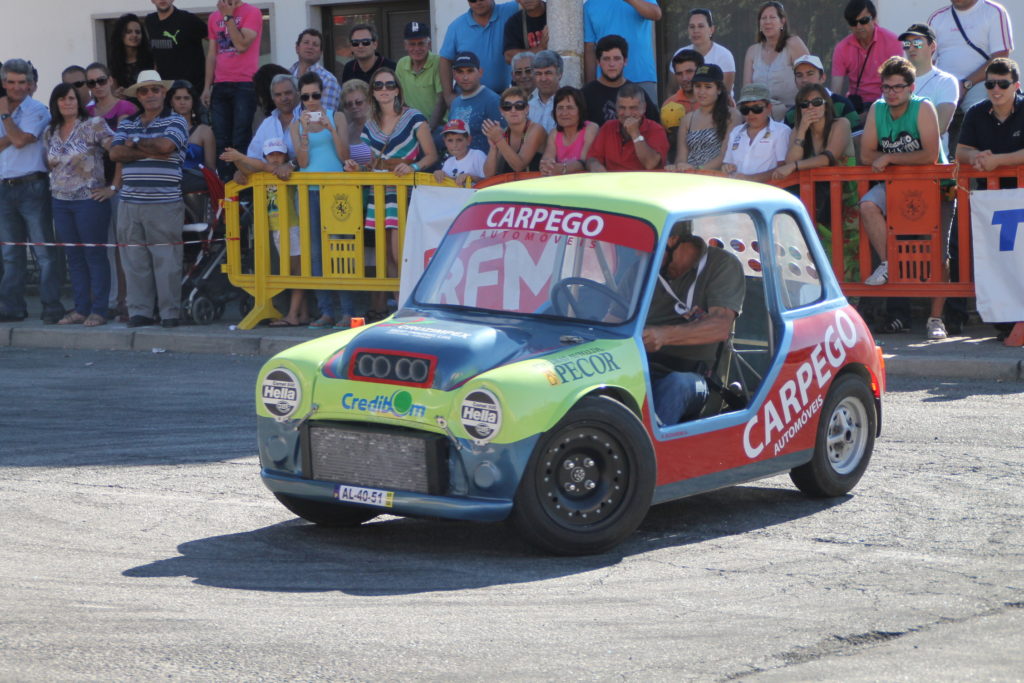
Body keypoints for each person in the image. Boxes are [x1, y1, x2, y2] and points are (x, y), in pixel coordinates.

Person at [345, 67, 438, 320]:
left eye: (389, 85)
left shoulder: (414, 117)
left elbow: (431, 155)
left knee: (402, 255)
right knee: (385, 256)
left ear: (397, 89)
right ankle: (399, 309)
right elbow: (368, 162)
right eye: (378, 86)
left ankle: (409, 309)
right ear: (372, 92)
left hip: (404, 193)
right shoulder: (370, 125)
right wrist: (355, 165)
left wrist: (412, 166)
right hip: (378, 196)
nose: (384, 90)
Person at [642, 222, 744, 425]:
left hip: (696, 379)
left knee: (677, 384)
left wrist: (663, 335)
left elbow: (720, 327)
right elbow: (613, 317)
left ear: (671, 241)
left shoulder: (721, 265)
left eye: (645, 245)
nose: (639, 254)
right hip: (641, 369)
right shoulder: (644, 268)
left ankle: (650, 450)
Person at [109, 70, 189, 328]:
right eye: (144, 90)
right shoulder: (126, 122)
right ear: (138, 95)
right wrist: (147, 147)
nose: (150, 94)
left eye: (155, 89)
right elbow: (114, 153)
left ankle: (169, 314)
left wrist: (133, 145)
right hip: (130, 202)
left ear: (163, 92)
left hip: (164, 202)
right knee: (134, 261)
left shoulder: (177, 121)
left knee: (167, 261)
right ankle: (140, 312)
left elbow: (166, 148)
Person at [859, 57, 942, 291]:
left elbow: (930, 156)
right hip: (893, 184)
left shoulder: (923, 107)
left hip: (934, 185)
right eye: (886, 87)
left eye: (898, 87)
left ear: (911, 88)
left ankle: (938, 317)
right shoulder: (877, 108)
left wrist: (890, 157)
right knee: (867, 205)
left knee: (939, 253)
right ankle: (888, 263)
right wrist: (889, 160)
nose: (891, 93)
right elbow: (866, 155)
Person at [956, 57, 1024, 340]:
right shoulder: (975, 112)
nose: (996, 89)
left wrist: (999, 161)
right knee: (999, 259)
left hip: (1018, 199)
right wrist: (976, 157)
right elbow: (961, 151)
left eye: (1003, 84)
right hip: (993, 204)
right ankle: (1005, 321)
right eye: (990, 84)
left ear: (1016, 86)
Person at [43, 83, 115, 327]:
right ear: (56, 103)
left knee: (94, 255)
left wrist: (113, 187)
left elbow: (117, 152)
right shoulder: (50, 130)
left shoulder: (93, 124)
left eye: (72, 98)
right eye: (62, 99)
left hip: (90, 201)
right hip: (60, 201)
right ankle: (81, 308)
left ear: (79, 101)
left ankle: (100, 310)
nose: (67, 102)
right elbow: (50, 163)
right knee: (73, 257)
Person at [0, 59, 64, 324]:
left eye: (22, 82)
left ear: (30, 84)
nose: (17, 88)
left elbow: (19, 139)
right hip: (4, 188)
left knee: (44, 252)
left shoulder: (38, 109)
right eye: (11, 82)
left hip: (33, 186)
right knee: (11, 254)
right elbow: (16, 140)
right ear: (4, 83)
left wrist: (5, 117)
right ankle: (12, 308)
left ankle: (52, 305)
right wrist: (13, 135)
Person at [221, 138, 309, 327]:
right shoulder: (262, 171)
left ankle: (294, 315)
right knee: (292, 271)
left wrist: (240, 157)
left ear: (285, 156)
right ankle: (302, 314)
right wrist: (238, 164)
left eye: (279, 154)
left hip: (291, 227)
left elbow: (264, 167)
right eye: (271, 155)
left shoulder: (282, 170)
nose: (275, 158)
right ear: (265, 156)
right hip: (277, 229)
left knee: (297, 272)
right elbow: (247, 170)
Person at [289, 71, 351, 331]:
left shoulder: (336, 117)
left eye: (316, 95)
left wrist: (330, 128)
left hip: (336, 189)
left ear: (323, 94)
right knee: (315, 252)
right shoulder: (295, 123)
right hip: (309, 190)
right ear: (300, 98)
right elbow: (302, 162)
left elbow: (344, 155)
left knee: (341, 248)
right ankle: (326, 312)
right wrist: (304, 134)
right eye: (306, 97)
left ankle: (348, 312)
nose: (312, 101)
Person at [771, 83, 854, 224]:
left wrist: (795, 166)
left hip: (842, 193)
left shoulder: (841, 124)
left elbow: (829, 158)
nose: (810, 108)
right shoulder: (798, 131)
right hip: (813, 197)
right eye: (804, 104)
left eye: (816, 103)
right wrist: (802, 130)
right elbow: (790, 161)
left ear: (826, 105)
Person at [202, 0, 262, 179]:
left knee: (240, 138)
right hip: (220, 84)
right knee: (221, 140)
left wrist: (228, 16)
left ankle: (244, 191)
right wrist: (207, 86)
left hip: (245, 83)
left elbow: (241, 45)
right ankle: (228, 190)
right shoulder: (213, 16)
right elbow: (212, 54)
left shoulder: (252, 12)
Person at [928, 0, 1013, 115]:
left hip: (980, 84)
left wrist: (966, 84)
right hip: (945, 86)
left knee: (979, 117)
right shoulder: (937, 18)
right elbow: (928, 61)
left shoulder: (994, 12)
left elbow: (1001, 58)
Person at [831, 0, 903, 114]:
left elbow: (897, 84)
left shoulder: (893, 41)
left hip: (886, 103)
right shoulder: (841, 48)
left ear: (874, 19)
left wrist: (873, 113)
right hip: (856, 106)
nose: (859, 26)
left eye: (864, 20)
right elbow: (836, 90)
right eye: (853, 22)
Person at [583, 0, 661, 104]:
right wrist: (591, 86)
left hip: (641, 76)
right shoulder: (590, 5)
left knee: (647, 119)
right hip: (606, 81)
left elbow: (656, 14)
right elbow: (589, 48)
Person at [440, 0, 520, 101]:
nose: (478, 2)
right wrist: (448, 95)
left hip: (501, 98)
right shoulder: (456, 27)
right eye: (473, 0)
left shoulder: (509, 10)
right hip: (466, 98)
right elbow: (445, 60)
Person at [667, 64, 741, 173]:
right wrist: (681, 166)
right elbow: (681, 157)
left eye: (708, 87)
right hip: (689, 177)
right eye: (697, 86)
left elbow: (725, 156)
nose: (701, 92)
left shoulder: (733, 115)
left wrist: (697, 170)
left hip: (717, 178)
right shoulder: (687, 119)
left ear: (719, 89)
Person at [900, 24, 959, 157]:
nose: (911, 48)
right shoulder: (894, 82)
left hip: (932, 163)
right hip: (896, 161)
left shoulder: (946, 81)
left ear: (932, 47)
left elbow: (940, 127)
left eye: (917, 43)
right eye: (907, 44)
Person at [743, 1, 809, 118]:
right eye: (763, 18)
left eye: (772, 17)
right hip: (759, 114)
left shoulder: (794, 44)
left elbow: (809, 80)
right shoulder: (752, 51)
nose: (767, 22)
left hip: (792, 113)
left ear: (782, 21)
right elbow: (747, 91)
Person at [585, 83, 668, 172]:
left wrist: (635, 134)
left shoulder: (656, 129)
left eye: (633, 108)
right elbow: (592, 158)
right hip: (612, 183)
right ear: (616, 107)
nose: (627, 113)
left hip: (643, 184)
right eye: (622, 108)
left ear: (644, 108)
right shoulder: (608, 127)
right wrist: (595, 166)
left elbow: (650, 164)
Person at [582, 35, 660, 127]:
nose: (611, 64)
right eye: (606, 59)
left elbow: (656, 129)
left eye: (617, 58)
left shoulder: (638, 92)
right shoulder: (585, 94)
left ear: (625, 61)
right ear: (598, 62)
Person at [722, 83, 791, 181]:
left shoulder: (781, 131)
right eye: (745, 109)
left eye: (756, 108)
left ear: (769, 108)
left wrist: (750, 179)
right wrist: (727, 167)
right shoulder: (736, 131)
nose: (750, 113)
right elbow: (727, 162)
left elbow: (783, 168)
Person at [446, 51, 502, 153]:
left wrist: (494, 168)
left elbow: (504, 142)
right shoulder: (455, 103)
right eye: (460, 72)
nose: (465, 77)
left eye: (470, 71)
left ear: (480, 72)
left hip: (483, 167)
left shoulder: (493, 101)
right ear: (454, 74)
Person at [784, 55, 860, 131]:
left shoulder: (842, 104)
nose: (804, 80)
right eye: (799, 75)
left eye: (810, 74)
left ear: (823, 77)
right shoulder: (791, 114)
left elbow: (856, 137)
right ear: (795, 81)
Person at [146, 0, 207, 93]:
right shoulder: (150, 21)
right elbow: (156, 55)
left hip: (191, 90)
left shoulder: (188, 19)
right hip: (165, 90)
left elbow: (215, 40)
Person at [244, 73, 300, 175]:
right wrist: (242, 171)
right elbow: (253, 157)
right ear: (272, 98)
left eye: (288, 93)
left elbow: (314, 153)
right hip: (272, 189)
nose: (283, 98)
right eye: (278, 95)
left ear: (298, 93)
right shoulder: (267, 123)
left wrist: (291, 165)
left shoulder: (306, 118)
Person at [483, 86, 546, 175]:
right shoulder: (503, 133)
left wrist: (499, 140)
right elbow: (489, 175)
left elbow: (519, 166)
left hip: (533, 186)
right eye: (507, 106)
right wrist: (493, 147)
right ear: (501, 111)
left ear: (527, 109)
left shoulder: (536, 130)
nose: (513, 110)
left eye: (519, 106)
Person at [673, 8, 736, 98]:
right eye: (692, 26)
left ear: (711, 29)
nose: (695, 31)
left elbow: (725, 94)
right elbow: (672, 90)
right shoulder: (679, 54)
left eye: (701, 26)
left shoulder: (724, 55)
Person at [396, 21, 445, 130]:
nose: (417, 48)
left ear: (429, 44)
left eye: (421, 43)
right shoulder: (401, 64)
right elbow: (399, 99)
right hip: (412, 126)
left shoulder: (438, 62)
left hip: (438, 125)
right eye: (412, 44)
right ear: (405, 46)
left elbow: (441, 100)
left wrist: (429, 129)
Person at [538, 86, 598, 176]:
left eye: (570, 108)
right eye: (560, 108)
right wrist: (546, 166)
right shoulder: (554, 133)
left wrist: (562, 168)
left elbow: (584, 162)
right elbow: (547, 159)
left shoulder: (591, 128)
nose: (564, 113)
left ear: (580, 110)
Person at [167, 80, 216, 174]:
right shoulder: (163, 129)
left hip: (198, 184)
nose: (182, 102)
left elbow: (211, 169)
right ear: (171, 102)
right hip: (169, 184)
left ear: (193, 101)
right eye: (178, 98)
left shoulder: (205, 131)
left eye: (186, 98)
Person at [291, 29, 341, 113]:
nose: (310, 47)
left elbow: (325, 117)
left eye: (315, 44)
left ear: (321, 53)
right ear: (297, 48)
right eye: (306, 42)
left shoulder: (328, 80)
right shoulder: (287, 75)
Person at [108, 14, 154, 97]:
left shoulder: (151, 58)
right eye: (129, 32)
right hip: (126, 105)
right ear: (121, 35)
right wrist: (117, 94)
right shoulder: (115, 60)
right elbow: (114, 89)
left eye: (138, 32)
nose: (134, 35)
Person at [433, 119, 487, 185]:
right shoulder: (448, 162)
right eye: (450, 140)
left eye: (459, 140)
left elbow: (490, 181)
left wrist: (472, 177)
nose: (454, 145)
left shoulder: (477, 155)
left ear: (469, 140)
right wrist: (439, 174)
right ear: (444, 142)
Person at [341, 79, 374, 167]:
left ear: (369, 101)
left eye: (358, 102)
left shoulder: (380, 127)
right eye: (349, 104)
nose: (354, 106)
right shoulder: (346, 130)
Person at [527, 50, 561, 131]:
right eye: (538, 74)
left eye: (548, 73)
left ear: (559, 74)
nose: (543, 79)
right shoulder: (528, 108)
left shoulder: (571, 105)